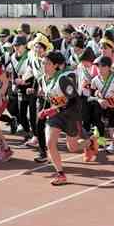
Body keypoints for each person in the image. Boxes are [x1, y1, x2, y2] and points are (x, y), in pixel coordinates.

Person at [37, 51, 83, 186]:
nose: (44, 66)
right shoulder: (42, 79)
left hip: (70, 115)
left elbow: (75, 101)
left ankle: (91, 142)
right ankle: (61, 174)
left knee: (73, 147)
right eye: (43, 63)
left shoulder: (62, 79)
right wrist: (45, 109)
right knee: (50, 143)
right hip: (55, 117)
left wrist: (54, 109)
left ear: (56, 65)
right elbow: (49, 98)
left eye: (48, 63)